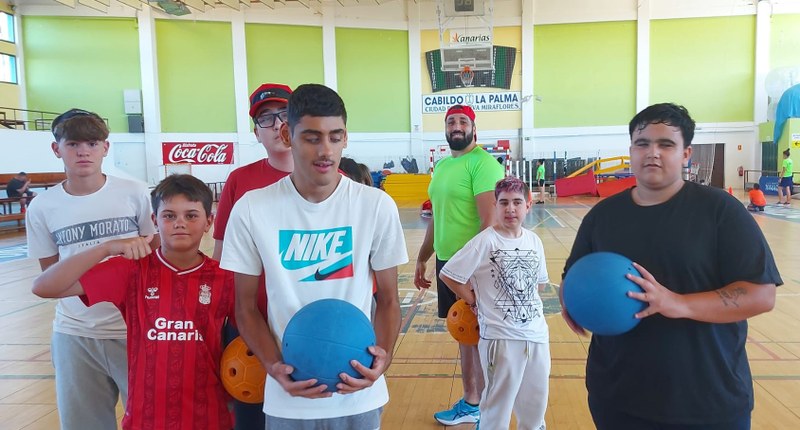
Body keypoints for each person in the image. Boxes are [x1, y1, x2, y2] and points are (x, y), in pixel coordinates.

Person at [560, 103, 780, 429]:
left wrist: (676, 302)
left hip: (706, 402)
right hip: (617, 398)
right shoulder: (602, 216)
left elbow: (761, 295)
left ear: (686, 153)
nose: (653, 153)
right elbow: (574, 276)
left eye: (666, 144)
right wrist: (572, 299)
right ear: (631, 150)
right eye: (643, 143)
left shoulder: (721, 211)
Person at [220, 83, 408, 428]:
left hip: (359, 396)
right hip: (289, 399)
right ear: (287, 135)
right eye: (312, 137)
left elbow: (389, 301)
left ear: (346, 137)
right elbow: (244, 308)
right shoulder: (251, 210)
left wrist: (383, 358)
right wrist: (273, 365)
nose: (326, 150)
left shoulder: (375, 206)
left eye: (335, 137)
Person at [31, 174, 234, 430]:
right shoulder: (131, 270)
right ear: (154, 221)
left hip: (210, 414)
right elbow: (44, 287)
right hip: (146, 418)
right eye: (169, 215)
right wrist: (105, 248)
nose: (179, 223)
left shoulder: (225, 276)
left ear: (209, 222)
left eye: (191, 215)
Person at [26, 108, 159, 430]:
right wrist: (105, 248)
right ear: (57, 149)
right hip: (75, 333)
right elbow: (51, 275)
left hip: (135, 330)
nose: (83, 151)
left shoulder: (135, 192)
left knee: (149, 421)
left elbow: (155, 249)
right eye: (73, 144)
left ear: (105, 148)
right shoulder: (43, 206)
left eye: (92, 143)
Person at [414, 104, 505, 426]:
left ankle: (490, 407)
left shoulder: (484, 165)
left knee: (484, 337)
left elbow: (489, 222)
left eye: (462, 120)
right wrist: (423, 257)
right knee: (465, 333)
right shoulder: (441, 167)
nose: (456, 125)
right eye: (451, 121)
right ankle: (472, 401)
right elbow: (437, 218)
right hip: (446, 263)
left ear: (473, 128)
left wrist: (465, 269)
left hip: (473, 267)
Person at [212, 82, 292, 430]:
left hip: (308, 325)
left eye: (285, 114)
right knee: (252, 420)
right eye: (265, 119)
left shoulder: (335, 178)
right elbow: (220, 257)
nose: (277, 125)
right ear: (256, 134)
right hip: (249, 324)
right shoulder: (240, 181)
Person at [439, 176, 550, 430]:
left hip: (536, 336)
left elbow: (540, 284)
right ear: (495, 206)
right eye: (504, 203)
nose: (511, 209)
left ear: (528, 205)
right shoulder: (485, 241)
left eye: (517, 202)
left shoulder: (534, 241)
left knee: (535, 407)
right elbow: (449, 274)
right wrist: (473, 299)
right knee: (497, 409)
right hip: (500, 338)